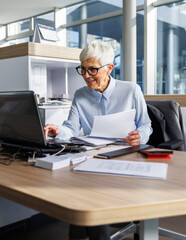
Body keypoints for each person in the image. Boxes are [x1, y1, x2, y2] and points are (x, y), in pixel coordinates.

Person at [43, 40, 152, 240]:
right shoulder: (80, 94)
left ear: (109, 68)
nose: (86, 76)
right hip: (93, 155)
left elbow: (146, 125)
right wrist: (57, 132)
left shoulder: (131, 90)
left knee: (92, 189)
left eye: (92, 70)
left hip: (124, 154)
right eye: (83, 69)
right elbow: (72, 127)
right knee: (78, 181)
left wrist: (140, 136)